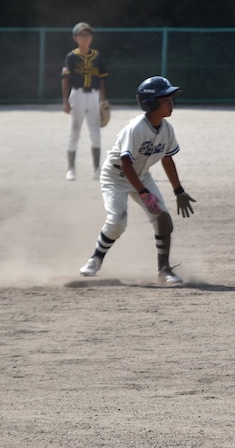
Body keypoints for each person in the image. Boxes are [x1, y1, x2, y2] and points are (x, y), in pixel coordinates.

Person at [78, 76, 197, 284]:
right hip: (115, 177)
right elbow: (126, 163)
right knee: (117, 222)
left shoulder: (166, 129)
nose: (171, 104)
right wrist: (143, 193)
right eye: (166, 100)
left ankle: (164, 269)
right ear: (150, 103)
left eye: (171, 99)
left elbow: (167, 159)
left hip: (141, 176)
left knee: (162, 218)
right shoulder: (136, 128)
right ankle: (95, 260)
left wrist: (178, 190)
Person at [61, 22, 109, 180]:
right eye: (82, 34)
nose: (85, 37)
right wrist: (65, 101)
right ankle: (71, 169)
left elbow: (101, 79)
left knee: (95, 132)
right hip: (78, 95)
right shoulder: (71, 57)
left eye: (87, 34)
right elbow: (65, 80)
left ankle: (97, 169)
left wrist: (103, 100)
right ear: (75, 38)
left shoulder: (97, 56)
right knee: (74, 131)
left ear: (91, 37)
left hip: (94, 96)